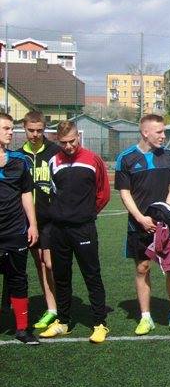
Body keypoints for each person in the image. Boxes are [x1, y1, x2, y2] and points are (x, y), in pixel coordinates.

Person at [115, 114, 170, 336]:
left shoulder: (168, 156)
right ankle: (145, 318)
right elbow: (124, 193)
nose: (163, 136)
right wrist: (141, 218)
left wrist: (164, 212)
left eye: (164, 131)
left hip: (166, 225)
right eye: (159, 132)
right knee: (143, 268)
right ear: (145, 132)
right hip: (139, 224)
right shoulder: (126, 158)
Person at [39, 120, 111, 343]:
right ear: (57, 140)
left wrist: (86, 213)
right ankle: (63, 322)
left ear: (78, 136)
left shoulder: (93, 160)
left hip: (83, 229)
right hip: (59, 230)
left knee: (92, 275)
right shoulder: (53, 161)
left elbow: (104, 193)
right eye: (63, 143)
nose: (68, 146)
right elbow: (52, 193)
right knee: (61, 277)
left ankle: (99, 323)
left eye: (72, 141)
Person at [0, 112, 40, 345]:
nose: (10, 132)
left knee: (18, 279)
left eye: (11, 128)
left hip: (15, 231)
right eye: (6, 128)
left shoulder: (19, 161)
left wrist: (32, 224)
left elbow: (26, 193)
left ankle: (22, 329)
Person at [20, 111, 60, 330]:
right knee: (40, 263)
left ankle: (60, 303)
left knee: (51, 263)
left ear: (45, 129)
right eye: (31, 130)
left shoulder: (55, 152)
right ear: (24, 128)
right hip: (28, 221)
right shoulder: (19, 156)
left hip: (51, 219)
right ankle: (51, 308)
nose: (35, 134)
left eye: (39, 130)